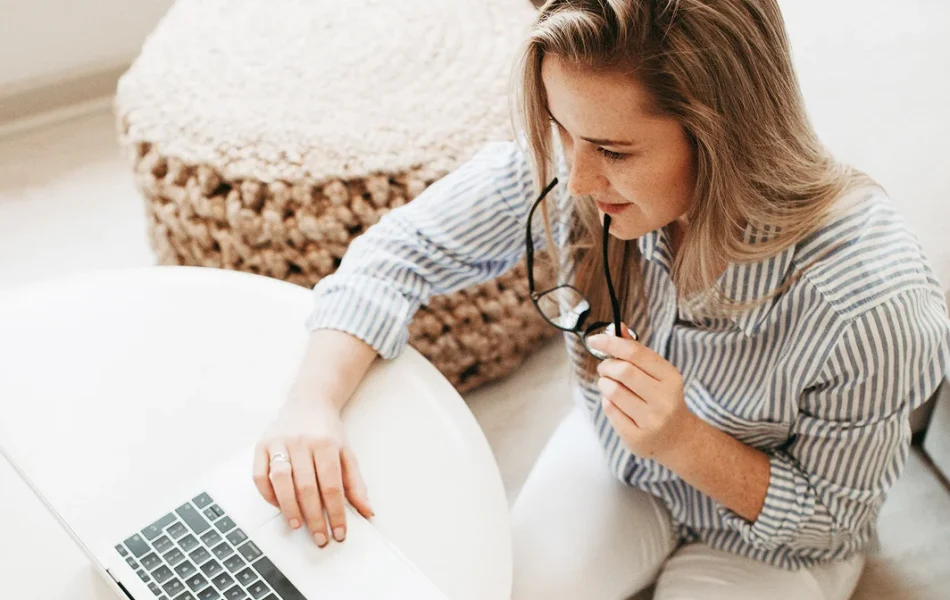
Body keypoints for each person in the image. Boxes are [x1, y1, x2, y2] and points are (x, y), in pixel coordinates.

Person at [252, 1, 950, 598]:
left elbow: (833, 518)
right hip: (617, 460)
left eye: (614, 152)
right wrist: (310, 402)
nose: (578, 179)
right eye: (564, 134)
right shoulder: (575, 167)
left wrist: (684, 440)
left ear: (723, 136)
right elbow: (397, 253)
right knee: (504, 585)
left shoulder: (874, 305)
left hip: (773, 542)